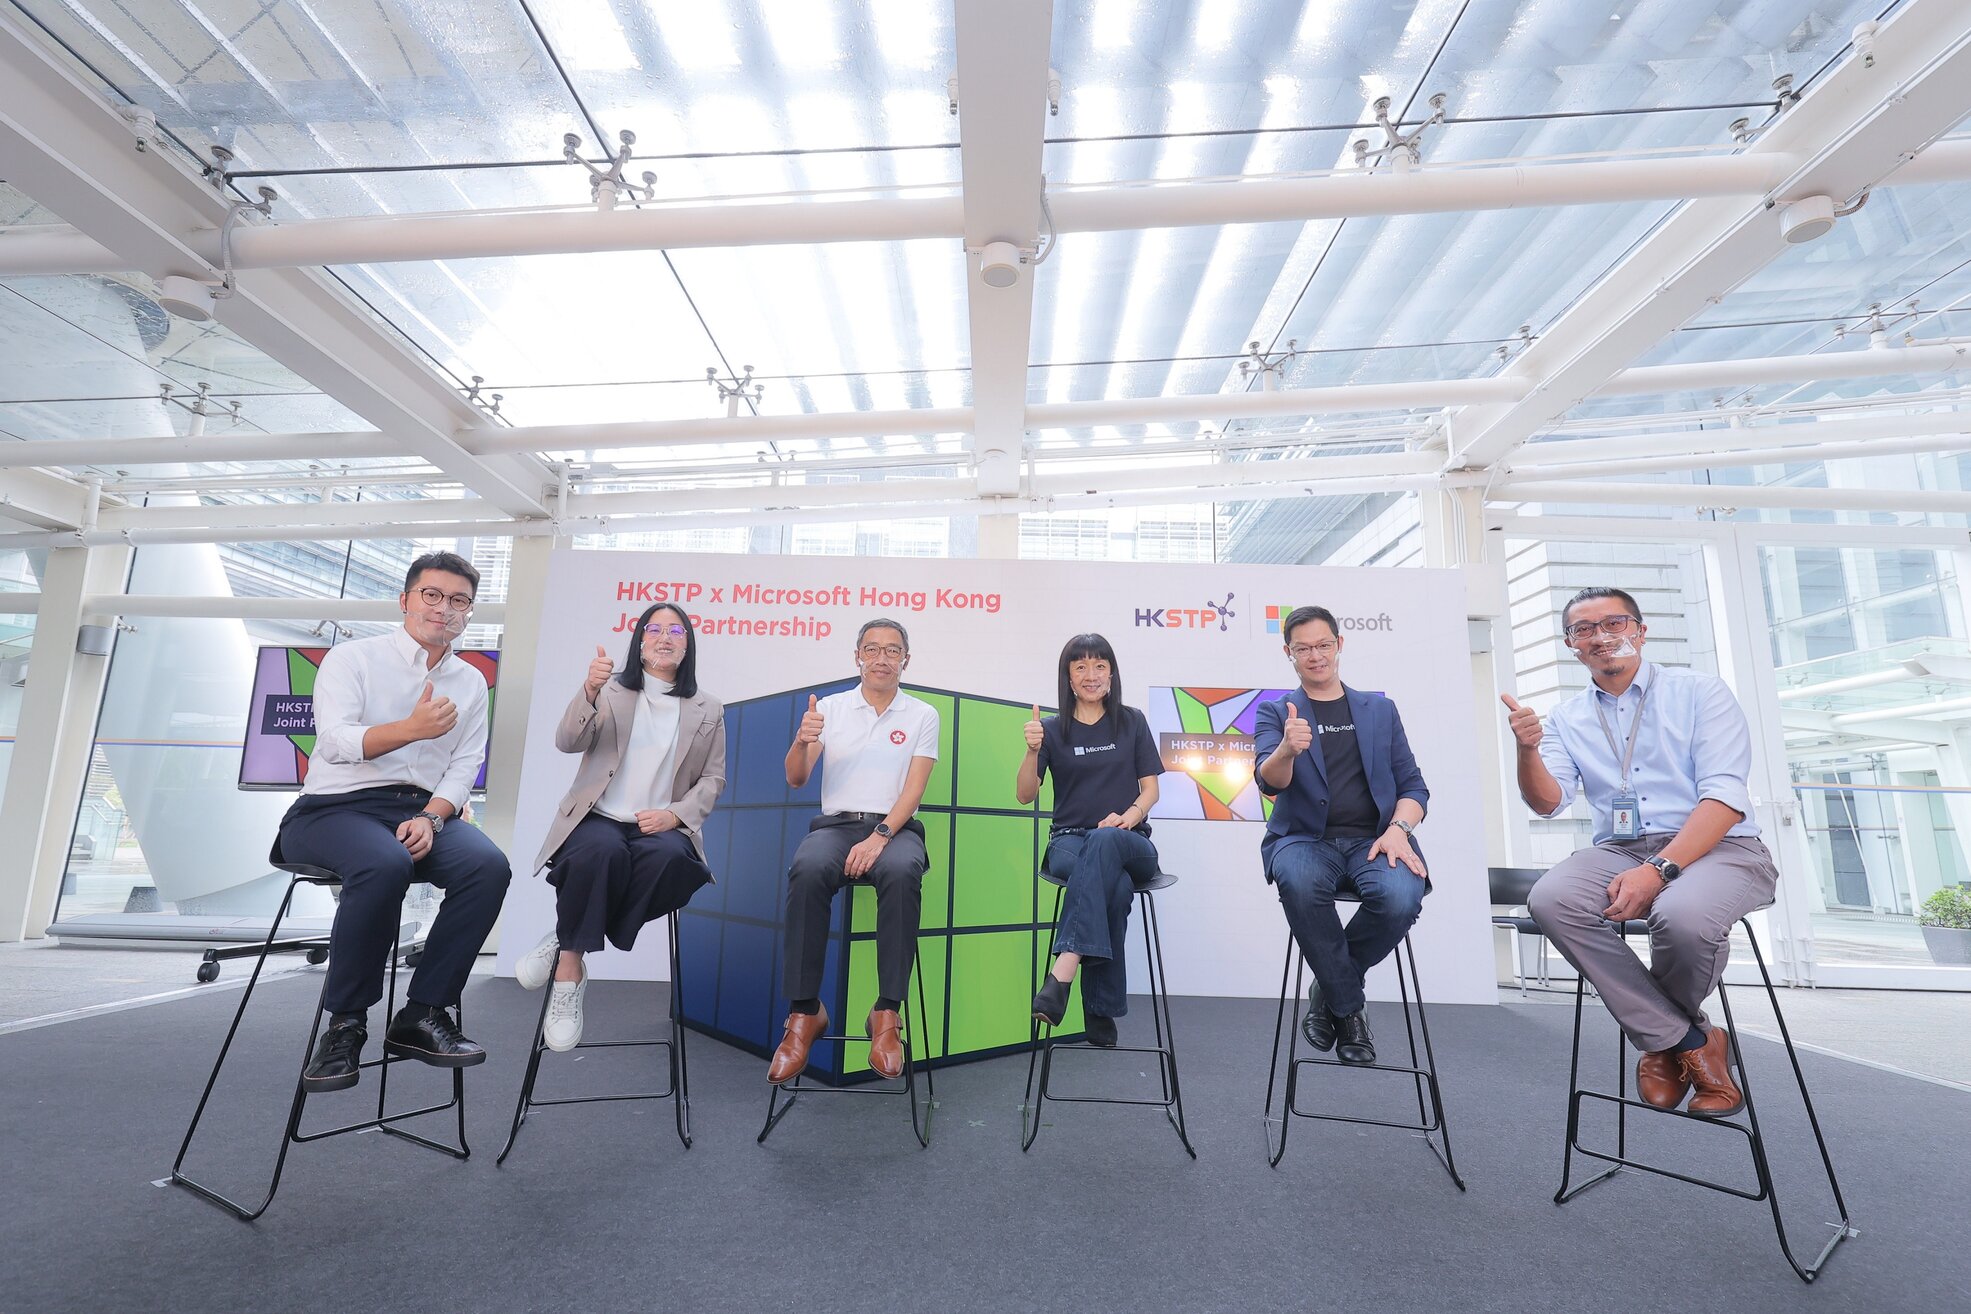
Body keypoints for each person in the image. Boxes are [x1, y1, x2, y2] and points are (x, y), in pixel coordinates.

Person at [1504, 586, 1776, 1117]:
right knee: (1551, 898)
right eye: (1585, 629)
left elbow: (1724, 798)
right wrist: (1527, 748)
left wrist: (1659, 871)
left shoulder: (1700, 692)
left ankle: (1662, 1046)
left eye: (1615, 623)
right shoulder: (1565, 717)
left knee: (1680, 915)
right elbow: (1548, 802)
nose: (1602, 636)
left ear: (1640, 630)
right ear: (1571, 645)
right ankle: (1689, 1041)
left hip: (1721, 846)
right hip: (1623, 848)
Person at [276, 551, 512, 1092]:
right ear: (405, 600)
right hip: (335, 807)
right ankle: (346, 1024)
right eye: (432, 595)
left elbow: (464, 765)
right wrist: (409, 729)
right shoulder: (353, 659)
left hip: (418, 810)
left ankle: (422, 1013)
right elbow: (334, 744)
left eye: (459, 601)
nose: (444, 609)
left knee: (488, 866)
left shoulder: (472, 682)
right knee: (385, 864)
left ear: (468, 613)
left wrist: (432, 816)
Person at [516, 602, 725, 1051]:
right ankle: (569, 970)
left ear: (688, 645)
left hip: (660, 826)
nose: (665, 636)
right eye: (654, 629)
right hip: (599, 817)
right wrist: (588, 690)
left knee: (672, 860)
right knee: (600, 853)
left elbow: (713, 778)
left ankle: (563, 936)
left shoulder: (709, 707)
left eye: (676, 630)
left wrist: (675, 815)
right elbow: (569, 742)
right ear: (640, 641)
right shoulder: (609, 691)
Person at [1252, 605, 1429, 1066]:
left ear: (1339, 645)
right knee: (1300, 884)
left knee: (1399, 898)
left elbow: (1413, 787)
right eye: (1303, 649)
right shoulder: (1276, 712)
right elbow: (1269, 781)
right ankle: (1350, 1010)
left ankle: (1327, 989)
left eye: (1323, 645)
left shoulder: (1379, 709)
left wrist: (1399, 830)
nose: (1315, 656)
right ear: (1288, 653)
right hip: (1303, 840)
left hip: (1375, 839)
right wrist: (1288, 749)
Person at [766, 618, 938, 1085]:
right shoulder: (831, 709)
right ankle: (804, 1013)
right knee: (807, 866)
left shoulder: (922, 714)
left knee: (904, 871)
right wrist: (802, 741)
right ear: (856, 656)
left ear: (906, 659)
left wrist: (880, 835)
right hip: (836, 825)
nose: (881, 658)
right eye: (871, 649)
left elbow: (914, 789)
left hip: (895, 826)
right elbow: (796, 777)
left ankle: (886, 1014)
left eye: (892, 650)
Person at [1017, 634, 1163, 1048]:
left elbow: (1150, 791)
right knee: (1113, 889)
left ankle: (1062, 972)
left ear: (1112, 674)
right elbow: (1025, 794)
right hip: (1068, 841)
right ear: (1068, 677)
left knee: (1105, 844)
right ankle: (1100, 1012)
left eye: (1099, 665)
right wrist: (1031, 752)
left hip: (1130, 839)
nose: (1091, 675)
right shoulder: (1050, 729)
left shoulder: (1131, 721)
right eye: (1080, 666)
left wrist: (1128, 818)